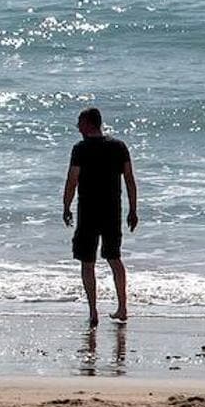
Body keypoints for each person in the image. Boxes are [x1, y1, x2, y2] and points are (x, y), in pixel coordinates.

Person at [62, 106, 138, 325]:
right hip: (112, 211)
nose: (77, 127)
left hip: (88, 212)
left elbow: (72, 180)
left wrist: (66, 207)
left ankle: (93, 312)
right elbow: (130, 180)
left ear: (88, 123)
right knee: (114, 258)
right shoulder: (118, 146)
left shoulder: (80, 149)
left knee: (87, 262)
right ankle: (122, 308)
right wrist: (133, 209)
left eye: (80, 122)